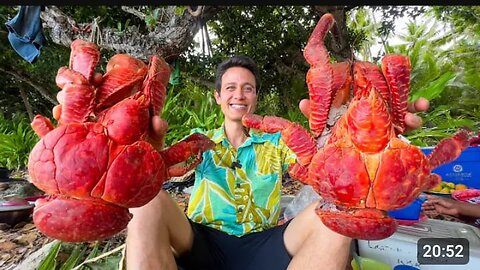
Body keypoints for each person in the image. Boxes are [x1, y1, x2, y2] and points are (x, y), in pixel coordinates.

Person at [126, 55, 430, 270]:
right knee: (145, 201)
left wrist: (372, 145)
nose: (239, 94)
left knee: (339, 214)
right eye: (230, 88)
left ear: (255, 96)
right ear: (218, 96)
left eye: (248, 88)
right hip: (203, 240)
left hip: (266, 242)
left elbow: (321, 166)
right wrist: (145, 154)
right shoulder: (198, 140)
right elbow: (160, 172)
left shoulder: (277, 140)